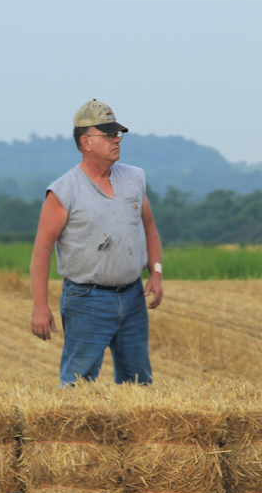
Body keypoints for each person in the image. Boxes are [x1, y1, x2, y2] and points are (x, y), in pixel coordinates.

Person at [29, 99, 163, 386]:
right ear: (86, 142)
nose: (117, 140)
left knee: (138, 383)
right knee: (78, 384)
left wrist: (156, 272)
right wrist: (40, 306)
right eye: (109, 135)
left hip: (132, 296)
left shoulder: (134, 178)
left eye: (118, 134)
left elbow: (149, 228)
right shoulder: (64, 191)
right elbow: (41, 250)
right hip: (86, 300)